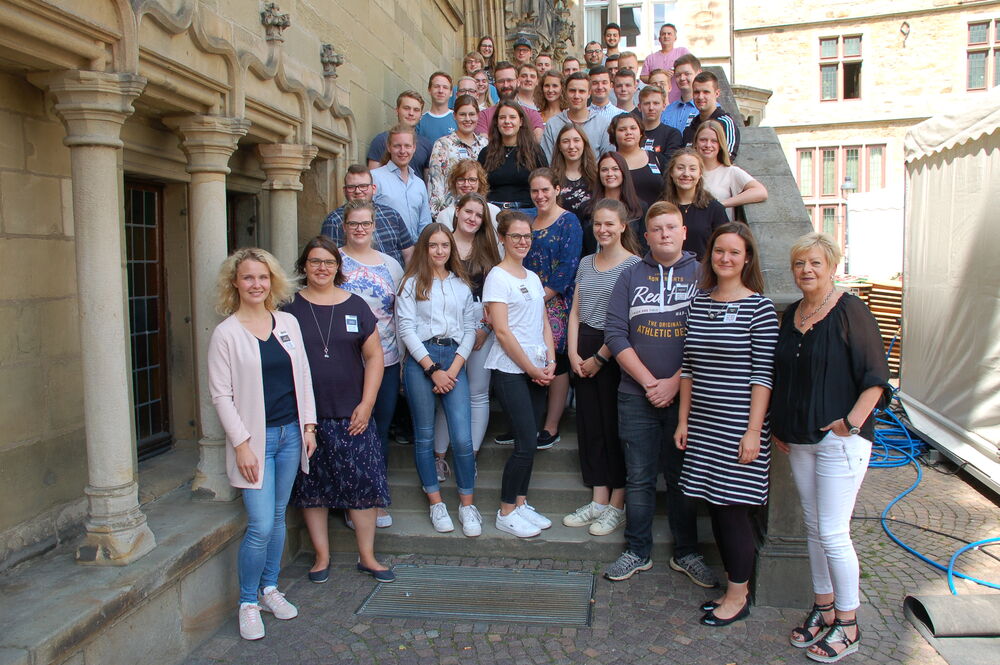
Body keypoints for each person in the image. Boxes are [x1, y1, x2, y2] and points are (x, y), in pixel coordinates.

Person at [771, 232, 891, 662]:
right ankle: (823, 609)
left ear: (832, 266)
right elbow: (782, 375)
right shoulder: (792, 315)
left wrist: (851, 423)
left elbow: (877, 376)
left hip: (840, 440)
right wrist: (780, 424)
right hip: (798, 439)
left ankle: (849, 623)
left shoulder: (849, 310)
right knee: (814, 528)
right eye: (800, 263)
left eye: (816, 263)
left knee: (834, 533)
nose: (807, 270)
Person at [602, 202, 717, 588]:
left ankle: (687, 553)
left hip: (688, 396)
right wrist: (651, 382)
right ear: (646, 236)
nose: (665, 234)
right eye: (657, 229)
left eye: (671, 227)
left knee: (683, 476)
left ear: (684, 232)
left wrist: (674, 382)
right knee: (638, 477)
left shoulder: (704, 276)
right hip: (636, 395)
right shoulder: (629, 276)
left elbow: (710, 339)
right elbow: (615, 334)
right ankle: (637, 551)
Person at [207, 247, 317, 640]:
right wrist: (241, 444)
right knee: (259, 524)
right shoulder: (227, 333)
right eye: (249, 277)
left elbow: (302, 374)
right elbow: (221, 395)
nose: (256, 284)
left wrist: (309, 425)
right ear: (235, 283)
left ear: (273, 282)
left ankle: (270, 588)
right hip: (256, 440)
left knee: (277, 516)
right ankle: (247, 603)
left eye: (263, 277)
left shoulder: (286, 322)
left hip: (291, 434)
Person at [674, 223, 778, 626]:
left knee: (733, 509)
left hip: (739, 425)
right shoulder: (698, 303)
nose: (725, 258)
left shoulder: (760, 307)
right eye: (719, 251)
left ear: (747, 258)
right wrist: (683, 420)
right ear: (710, 256)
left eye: (734, 252)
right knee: (715, 507)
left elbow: (762, 376)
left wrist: (753, 431)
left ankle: (738, 596)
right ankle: (734, 589)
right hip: (703, 423)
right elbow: (688, 369)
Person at [283, 237, 393, 586]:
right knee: (312, 487)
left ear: (337, 267)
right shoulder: (288, 309)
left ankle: (367, 556)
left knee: (363, 486)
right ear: (304, 266)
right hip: (307, 418)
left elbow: (375, 357)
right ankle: (321, 556)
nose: (322, 268)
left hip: (353, 414)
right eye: (314, 261)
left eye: (328, 262)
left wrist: (367, 402)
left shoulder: (357, 306)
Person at [396, 223, 482, 536]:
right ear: (424, 248)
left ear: (451, 249)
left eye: (445, 245)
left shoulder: (461, 285)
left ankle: (467, 504)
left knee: (462, 437)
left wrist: (454, 369)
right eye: (433, 245)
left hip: (454, 359)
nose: (440, 251)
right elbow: (406, 329)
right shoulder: (411, 284)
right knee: (425, 435)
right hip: (423, 361)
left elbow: (471, 329)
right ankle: (435, 502)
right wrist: (433, 369)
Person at [563, 199, 641, 537]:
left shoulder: (634, 266)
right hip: (583, 348)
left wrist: (601, 357)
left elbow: (627, 321)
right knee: (590, 425)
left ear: (623, 225)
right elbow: (576, 311)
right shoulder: (585, 262)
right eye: (597, 224)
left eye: (609, 223)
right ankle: (597, 499)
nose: (603, 230)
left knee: (614, 427)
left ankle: (616, 505)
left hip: (615, 351)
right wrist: (572, 353)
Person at [483, 212, 556, 538]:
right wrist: (531, 368)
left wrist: (551, 361)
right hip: (512, 370)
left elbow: (543, 322)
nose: (523, 241)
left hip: (538, 369)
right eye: (516, 236)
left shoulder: (532, 277)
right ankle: (506, 510)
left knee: (532, 442)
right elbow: (501, 331)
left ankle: (522, 503)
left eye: (527, 236)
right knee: (525, 443)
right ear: (503, 238)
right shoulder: (498, 277)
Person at [338, 200, 405, 512]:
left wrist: (403, 358)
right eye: (354, 224)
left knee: (379, 426)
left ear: (375, 226)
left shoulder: (391, 265)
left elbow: (398, 313)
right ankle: (351, 498)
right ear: (345, 227)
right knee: (350, 428)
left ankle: (376, 498)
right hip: (344, 364)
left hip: (387, 360)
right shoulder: (333, 261)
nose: (360, 229)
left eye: (365, 223)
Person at [432, 193, 503, 466]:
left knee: (477, 392)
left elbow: (495, 294)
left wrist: (485, 328)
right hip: (444, 328)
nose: (473, 218)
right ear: (457, 211)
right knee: (447, 391)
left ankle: (468, 458)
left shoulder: (488, 249)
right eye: (468, 212)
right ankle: (439, 456)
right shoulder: (441, 242)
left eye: (478, 215)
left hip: (481, 326)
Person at [525, 168, 583, 448]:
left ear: (557, 189)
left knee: (555, 361)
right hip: (526, 302)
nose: (540, 196)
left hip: (555, 302)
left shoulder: (568, 222)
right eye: (535, 191)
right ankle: (527, 423)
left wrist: (539, 298)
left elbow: (568, 267)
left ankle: (551, 425)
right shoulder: (528, 222)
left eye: (545, 190)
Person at [321, 164, 414, 266]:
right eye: (351, 187)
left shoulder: (392, 215)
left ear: (373, 188)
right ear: (345, 191)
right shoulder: (333, 221)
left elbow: (409, 254)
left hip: (395, 278)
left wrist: (407, 280)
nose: (358, 191)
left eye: (363, 186)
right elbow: (328, 259)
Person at [478, 100, 547, 215]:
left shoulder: (534, 151)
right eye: (502, 117)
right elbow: (479, 188)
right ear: (496, 122)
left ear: (521, 121)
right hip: (493, 211)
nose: (507, 121)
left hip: (527, 211)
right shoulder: (486, 153)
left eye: (512, 117)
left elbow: (545, 183)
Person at [427, 95, 489, 220]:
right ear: (454, 116)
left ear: (478, 115)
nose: (467, 119)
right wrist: (441, 216)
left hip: (478, 215)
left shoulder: (485, 144)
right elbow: (436, 183)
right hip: (451, 215)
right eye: (462, 114)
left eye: (471, 114)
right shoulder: (443, 144)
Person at [661, 147, 728, 260]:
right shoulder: (661, 208)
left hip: (703, 274)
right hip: (668, 273)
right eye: (680, 168)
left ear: (700, 173)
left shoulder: (715, 209)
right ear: (671, 172)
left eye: (692, 169)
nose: (686, 174)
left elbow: (725, 245)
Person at [694, 121, 768, 222]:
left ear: (721, 144)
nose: (708, 145)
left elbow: (760, 192)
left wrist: (721, 204)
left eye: (714, 141)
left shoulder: (730, 172)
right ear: (696, 143)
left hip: (719, 231)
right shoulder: (688, 173)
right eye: (703, 140)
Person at [372, 124, 432, 242]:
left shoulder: (419, 184)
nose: (403, 151)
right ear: (389, 147)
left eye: (407, 146)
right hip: (387, 250)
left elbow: (425, 224)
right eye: (397, 146)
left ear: (414, 148)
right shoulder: (375, 177)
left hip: (414, 253)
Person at [541, 72, 614, 162]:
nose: (576, 96)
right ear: (565, 92)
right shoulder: (553, 124)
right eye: (572, 91)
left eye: (582, 91)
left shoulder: (603, 124)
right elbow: (547, 161)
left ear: (589, 93)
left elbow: (608, 160)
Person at [592, 150, 648, 254]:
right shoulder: (588, 208)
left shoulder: (640, 207)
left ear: (623, 172)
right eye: (604, 170)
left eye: (615, 169)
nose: (610, 174)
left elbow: (644, 247)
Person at [367, 91, 434, 176]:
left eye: (416, 110)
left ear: (421, 115)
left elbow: (427, 182)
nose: (411, 113)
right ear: (397, 110)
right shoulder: (381, 140)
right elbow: (372, 179)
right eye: (406, 108)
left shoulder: (427, 145)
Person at [608, 113, 666, 208]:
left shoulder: (657, 158)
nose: (628, 132)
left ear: (641, 132)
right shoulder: (609, 162)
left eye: (633, 128)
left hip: (655, 218)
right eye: (622, 129)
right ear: (613, 134)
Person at [475, 61, 545, 140]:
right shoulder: (484, 116)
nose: (506, 85)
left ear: (518, 82)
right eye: (501, 81)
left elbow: (536, 145)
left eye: (510, 80)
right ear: (495, 85)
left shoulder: (533, 115)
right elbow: (483, 146)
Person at [550, 124, 599, 233]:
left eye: (576, 140)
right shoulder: (551, 178)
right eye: (566, 141)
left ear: (584, 144)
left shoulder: (597, 176)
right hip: (560, 236)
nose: (571, 146)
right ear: (559, 146)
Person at [681, 71, 741, 159]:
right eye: (697, 92)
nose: (700, 97)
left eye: (706, 92)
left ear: (717, 93)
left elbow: (728, 159)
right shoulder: (690, 126)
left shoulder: (725, 123)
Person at [435, 159, 502, 231]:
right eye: (461, 179)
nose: (466, 184)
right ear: (454, 182)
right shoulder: (445, 215)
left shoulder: (493, 211)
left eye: (472, 180)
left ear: (480, 182)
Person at [640, 23, 691, 104]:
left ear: (675, 38)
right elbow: (643, 77)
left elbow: (691, 67)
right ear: (659, 38)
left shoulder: (682, 52)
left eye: (669, 34)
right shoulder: (651, 58)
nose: (666, 36)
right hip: (656, 102)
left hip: (680, 100)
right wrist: (660, 76)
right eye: (663, 34)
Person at [636, 85, 683, 158]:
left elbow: (670, 164)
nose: (651, 108)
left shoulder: (672, 134)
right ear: (639, 107)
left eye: (656, 103)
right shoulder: (632, 134)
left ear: (664, 106)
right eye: (647, 103)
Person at [661, 54, 701, 134]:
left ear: (698, 73)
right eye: (678, 75)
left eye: (687, 74)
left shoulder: (706, 108)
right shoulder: (668, 111)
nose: (682, 78)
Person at [417, 72, 457, 144]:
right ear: (429, 90)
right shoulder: (420, 121)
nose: (441, 91)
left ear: (451, 93)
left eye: (445, 87)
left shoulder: (458, 119)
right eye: (436, 86)